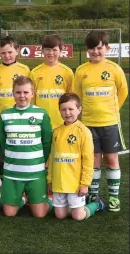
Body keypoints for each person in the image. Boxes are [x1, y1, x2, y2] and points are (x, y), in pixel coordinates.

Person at [74, 30, 128, 212]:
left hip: (110, 123)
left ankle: (114, 197)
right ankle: (93, 195)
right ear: (87, 49)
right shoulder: (81, 71)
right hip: (89, 124)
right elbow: (77, 96)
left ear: (107, 48)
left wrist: (113, 110)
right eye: (91, 48)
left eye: (99, 48)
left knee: (112, 159)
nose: (95, 52)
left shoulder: (114, 68)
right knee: (93, 160)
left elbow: (123, 91)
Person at [0, 76, 53, 218]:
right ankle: (21, 199)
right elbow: (2, 140)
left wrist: (41, 161)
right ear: (13, 93)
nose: (22, 96)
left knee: (40, 214)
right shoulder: (5, 114)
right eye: (18, 92)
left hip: (35, 171)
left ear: (32, 93)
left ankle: (52, 201)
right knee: (9, 213)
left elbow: (47, 142)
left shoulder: (41, 114)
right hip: (12, 172)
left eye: (25, 92)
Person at [47, 93, 105, 220]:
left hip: (75, 184)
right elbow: (52, 158)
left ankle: (96, 204)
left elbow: (89, 160)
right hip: (59, 183)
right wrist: (50, 180)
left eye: (71, 109)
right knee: (60, 215)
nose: (67, 112)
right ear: (59, 111)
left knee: (78, 216)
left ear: (79, 109)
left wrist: (85, 184)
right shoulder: (56, 132)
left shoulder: (83, 131)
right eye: (63, 109)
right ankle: (69, 205)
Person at [30, 34, 74, 129]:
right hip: (40, 122)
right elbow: (31, 100)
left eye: (54, 50)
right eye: (47, 49)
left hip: (61, 122)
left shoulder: (67, 72)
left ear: (61, 51)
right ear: (42, 51)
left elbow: (71, 100)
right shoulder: (34, 72)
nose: (51, 53)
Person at [0, 36, 30, 120]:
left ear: (17, 51)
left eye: (10, 52)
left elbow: (30, 94)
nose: (7, 56)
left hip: (20, 115)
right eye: (3, 53)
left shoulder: (25, 70)